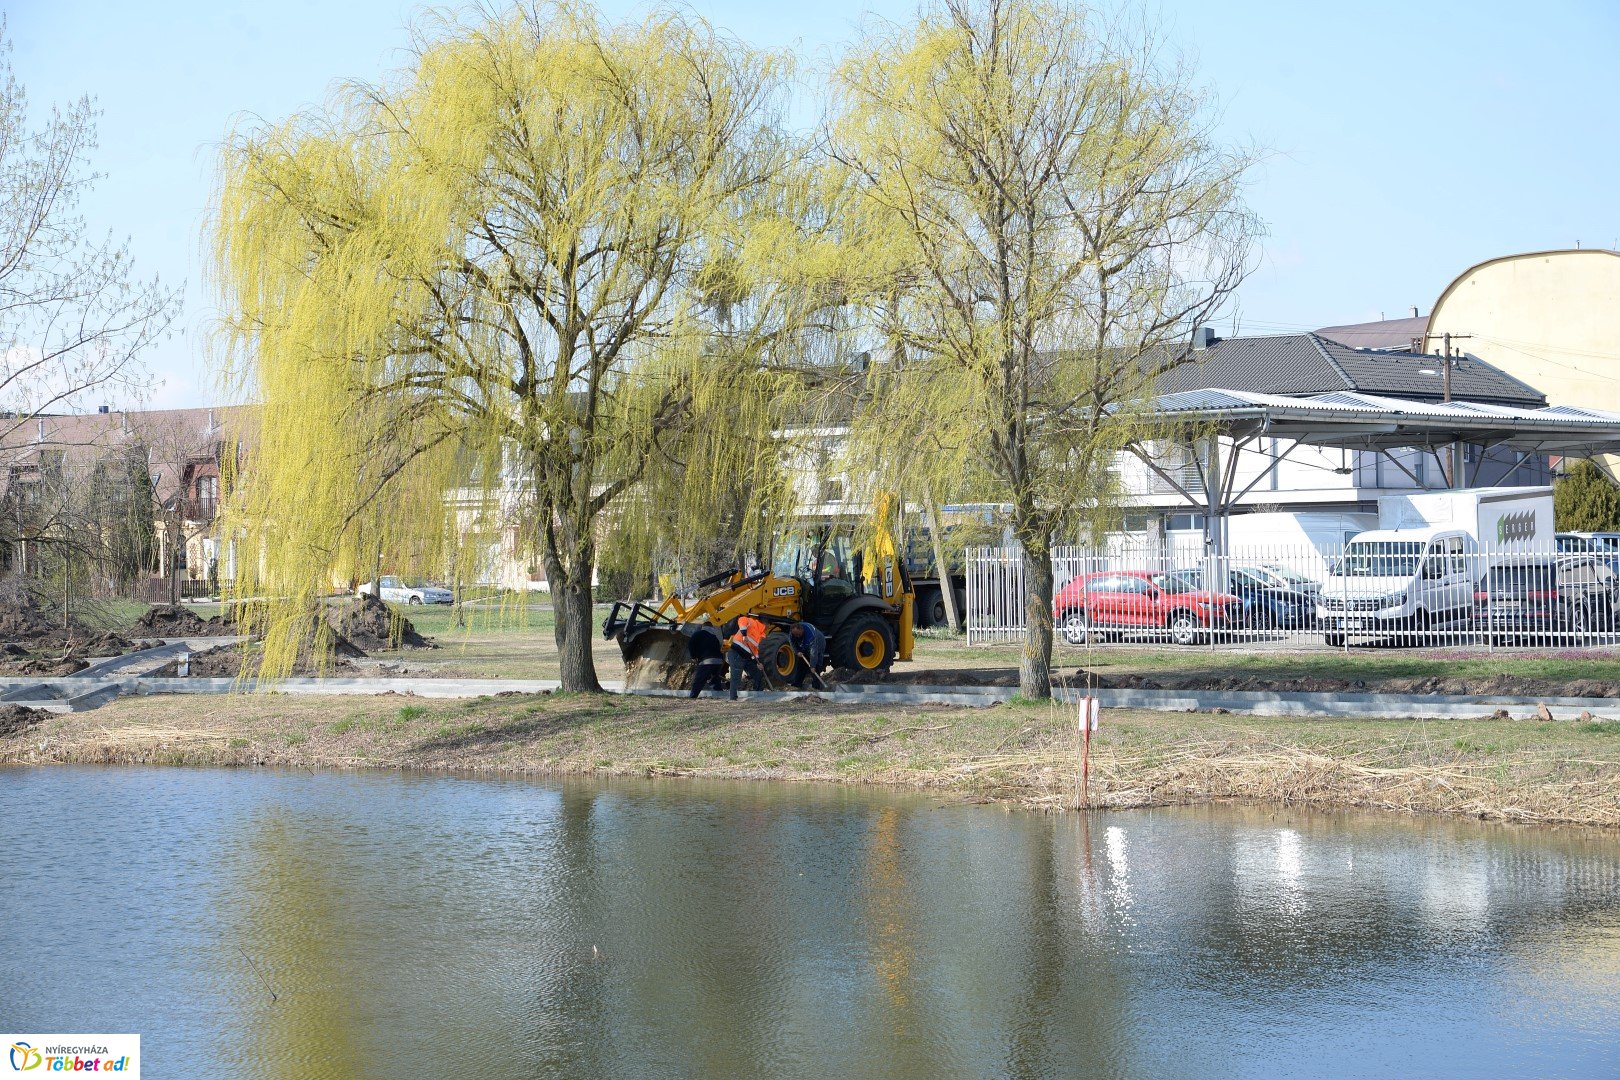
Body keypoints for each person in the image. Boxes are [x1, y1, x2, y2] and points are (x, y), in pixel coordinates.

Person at [727, 614, 768, 699]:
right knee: (736, 676)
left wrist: (758, 663)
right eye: (768, 624)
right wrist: (744, 634)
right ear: (765, 624)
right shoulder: (751, 622)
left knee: (757, 673)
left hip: (747, 657)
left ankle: (758, 694)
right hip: (736, 652)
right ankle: (733, 698)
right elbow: (741, 620)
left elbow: (755, 650)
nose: (768, 627)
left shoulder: (761, 635)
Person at [686, 625, 726, 698]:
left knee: (699, 679)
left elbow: (690, 644)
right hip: (718, 661)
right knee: (715, 679)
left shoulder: (698, 634)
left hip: (707, 661)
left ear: (703, 627)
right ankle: (719, 694)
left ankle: (692, 696)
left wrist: (693, 656)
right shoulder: (714, 636)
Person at [788, 621, 826, 688]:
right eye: (795, 635)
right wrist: (797, 652)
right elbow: (792, 643)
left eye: (798, 634)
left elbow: (813, 652)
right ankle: (797, 685)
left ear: (802, 630)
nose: (797, 636)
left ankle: (816, 688)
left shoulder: (810, 634)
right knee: (801, 665)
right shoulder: (792, 634)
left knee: (816, 668)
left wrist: (813, 666)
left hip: (819, 644)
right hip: (804, 646)